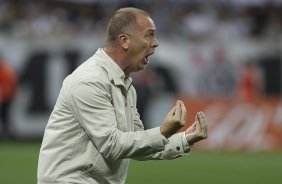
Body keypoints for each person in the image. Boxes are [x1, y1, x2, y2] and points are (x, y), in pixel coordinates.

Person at [37, 7, 208, 184]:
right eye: (149, 35)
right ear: (124, 41)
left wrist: (185, 139)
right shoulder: (89, 81)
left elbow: (139, 144)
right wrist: (163, 131)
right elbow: (111, 145)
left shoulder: (125, 85)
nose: (155, 43)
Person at [0, 59, 18, 139]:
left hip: (5, 97)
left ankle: (7, 133)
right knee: (5, 117)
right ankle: (7, 132)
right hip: (6, 97)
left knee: (5, 116)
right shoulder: (6, 70)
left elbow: (8, 85)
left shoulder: (4, 70)